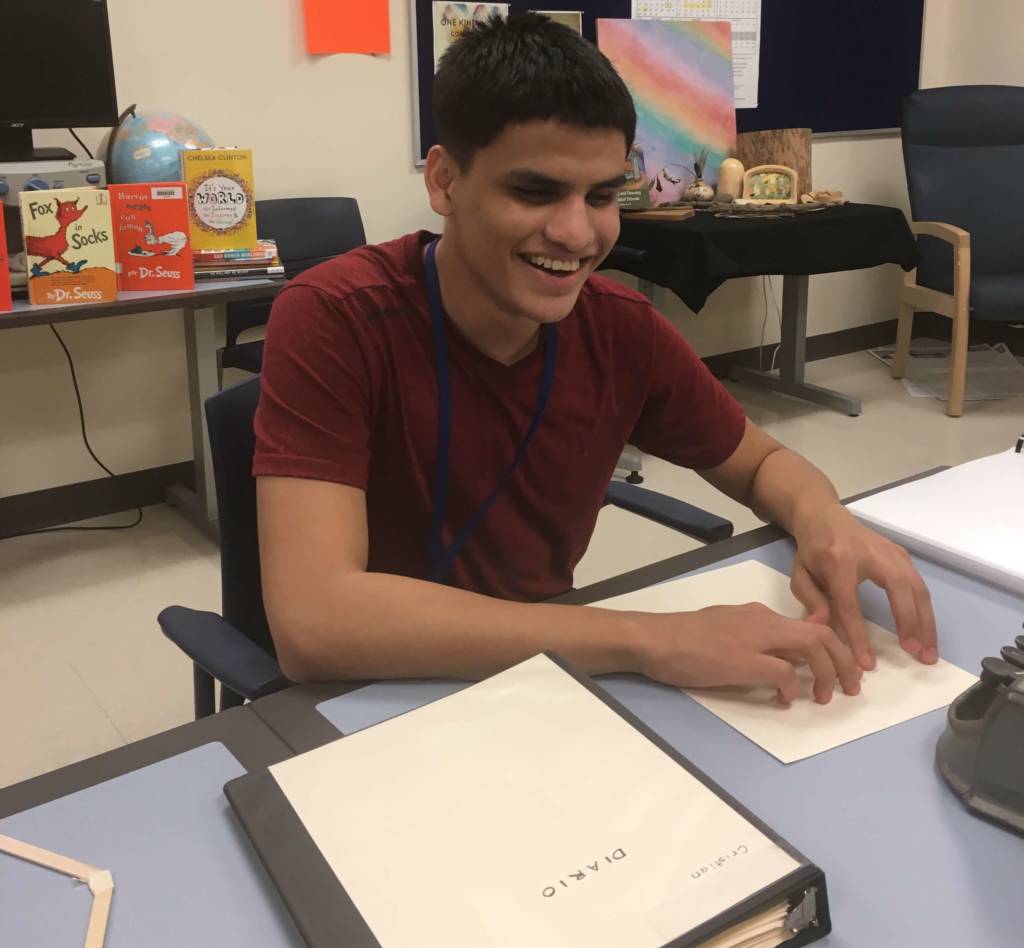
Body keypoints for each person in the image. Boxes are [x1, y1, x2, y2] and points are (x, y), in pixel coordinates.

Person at [253, 14, 937, 704]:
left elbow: (759, 462)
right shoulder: (335, 316)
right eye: (534, 191)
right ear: (444, 181)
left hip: (546, 677)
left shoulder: (620, 330)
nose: (578, 233)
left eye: (603, 195)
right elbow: (315, 625)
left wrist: (825, 519)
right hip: (371, 692)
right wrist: (650, 639)